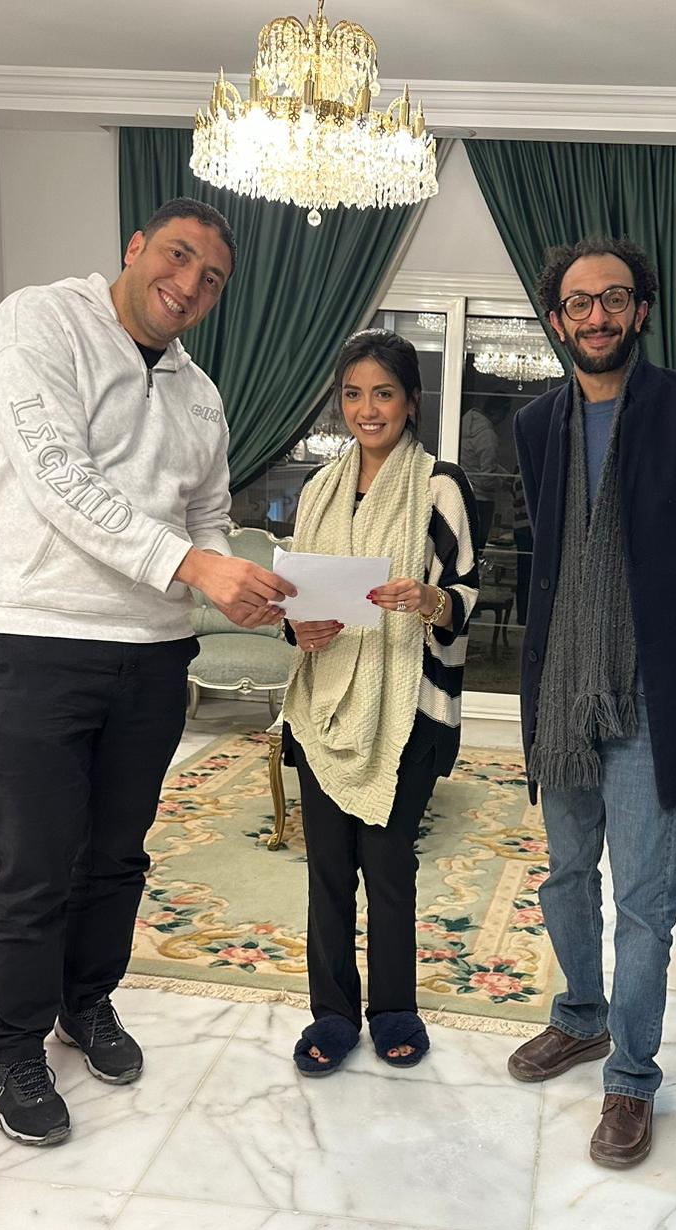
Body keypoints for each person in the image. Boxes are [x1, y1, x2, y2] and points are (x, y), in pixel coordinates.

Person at [0, 197, 295, 1146]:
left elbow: (207, 515)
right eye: (177, 257)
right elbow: (57, 476)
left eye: (212, 278)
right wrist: (195, 566)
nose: (189, 285)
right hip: (37, 636)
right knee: (32, 864)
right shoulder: (37, 322)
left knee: (116, 855)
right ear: (135, 247)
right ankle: (11, 1049)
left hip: (153, 651)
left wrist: (238, 583)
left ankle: (87, 1002)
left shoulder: (202, 394)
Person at [508, 235, 676, 1167]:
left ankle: (632, 1078)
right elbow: (554, 548)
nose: (597, 315)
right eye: (580, 302)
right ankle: (580, 1016)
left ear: (640, 310)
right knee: (567, 875)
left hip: (649, 685)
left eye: (615, 298)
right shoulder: (537, 423)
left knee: (644, 899)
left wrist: (668, 616)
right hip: (562, 684)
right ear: (557, 318)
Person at [281, 329, 479, 1076]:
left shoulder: (440, 486)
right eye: (354, 394)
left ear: (411, 403)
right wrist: (297, 627)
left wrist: (429, 598)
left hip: (408, 709)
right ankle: (332, 1013)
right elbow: (296, 595)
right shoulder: (317, 489)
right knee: (328, 872)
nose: (368, 409)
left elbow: (467, 592)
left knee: (389, 868)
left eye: (384, 394)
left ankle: (394, 1008)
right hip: (324, 703)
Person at [460, 396, 511, 552]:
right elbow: (487, 478)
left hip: (464, 494)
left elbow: (478, 462)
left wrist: (505, 475)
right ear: (499, 413)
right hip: (481, 501)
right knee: (477, 550)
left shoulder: (463, 424)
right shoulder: (487, 435)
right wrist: (504, 483)